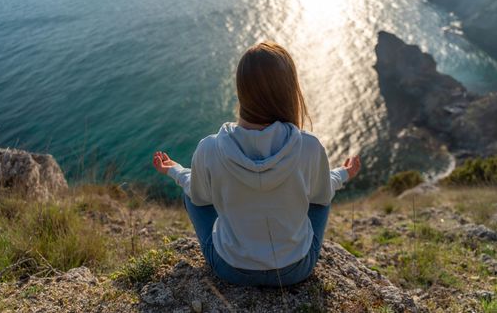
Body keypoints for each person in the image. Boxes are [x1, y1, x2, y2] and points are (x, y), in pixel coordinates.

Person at [153, 41, 361, 287]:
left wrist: (175, 171)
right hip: (297, 269)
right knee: (321, 196)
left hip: (230, 269)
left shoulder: (208, 148)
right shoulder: (310, 146)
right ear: (288, 91)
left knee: (192, 193)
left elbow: (198, 195)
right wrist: (343, 174)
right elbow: (322, 191)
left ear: (241, 90)